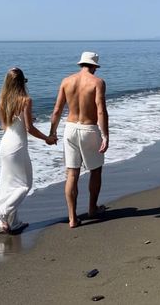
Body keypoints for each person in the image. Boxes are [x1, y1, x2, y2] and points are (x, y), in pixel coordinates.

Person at [0, 67, 56, 234]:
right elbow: (29, 128)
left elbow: (9, 125)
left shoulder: (3, 100)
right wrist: (47, 138)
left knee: (8, 185)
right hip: (17, 146)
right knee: (24, 185)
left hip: (5, 145)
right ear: (22, 82)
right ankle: (3, 214)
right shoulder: (25, 100)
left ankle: (12, 222)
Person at [49, 52, 109, 228]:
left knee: (72, 174)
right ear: (94, 67)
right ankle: (92, 209)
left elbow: (57, 109)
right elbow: (100, 111)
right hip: (89, 129)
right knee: (95, 171)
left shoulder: (66, 81)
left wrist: (52, 132)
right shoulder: (97, 82)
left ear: (81, 64)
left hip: (70, 129)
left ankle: (72, 218)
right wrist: (105, 135)